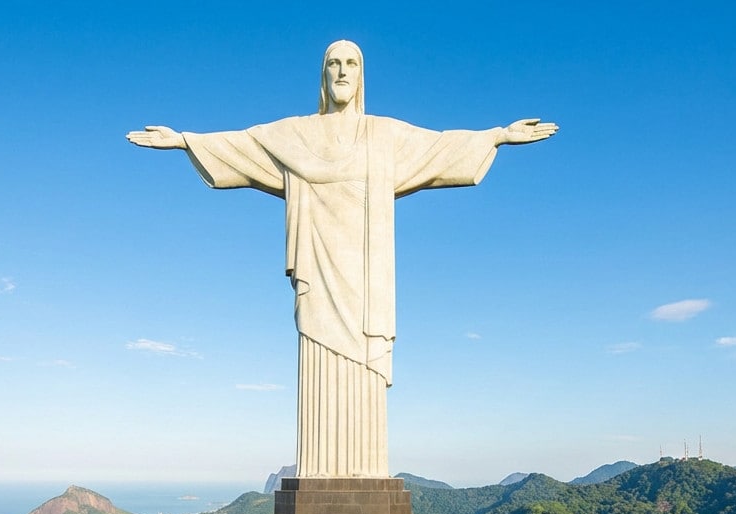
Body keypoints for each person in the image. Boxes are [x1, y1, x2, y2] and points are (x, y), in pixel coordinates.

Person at [127, 40, 557, 479]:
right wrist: (184, 141)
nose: (342, 71)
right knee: (318, 355)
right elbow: (245, 144)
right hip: (317, 267)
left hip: (367, 276)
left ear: (362, 75)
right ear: (323, 74)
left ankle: (366, 470)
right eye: (333, 63)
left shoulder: (384, 136)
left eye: (351, 63)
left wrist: (498, 135)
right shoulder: (295, 136)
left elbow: (439, 147)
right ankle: (319, 469)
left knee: (364, 364)